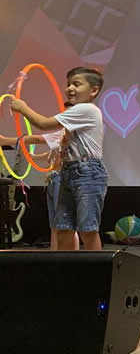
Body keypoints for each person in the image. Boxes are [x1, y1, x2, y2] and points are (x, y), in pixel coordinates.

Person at [10, 67, 106, 251]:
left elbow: (43, 124)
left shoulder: (86, 109)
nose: (70, 88)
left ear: (94, 90)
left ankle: (97, 268)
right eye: (68, 84)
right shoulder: (75, 116)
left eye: (76, 84)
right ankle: (65, 267)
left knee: (87, 230)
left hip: (88, 173)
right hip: (68, 172)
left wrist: (22, 108)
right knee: (63, 228)